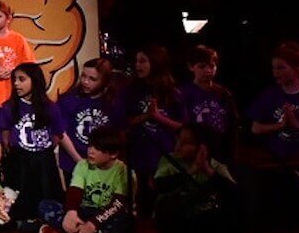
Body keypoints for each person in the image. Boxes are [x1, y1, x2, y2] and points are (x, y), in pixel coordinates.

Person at [153, 123, 245, 233]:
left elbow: (233, 191)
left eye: (186, 142)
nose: (178, 146)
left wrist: (207, 170)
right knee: (170, 205)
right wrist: (193, 169)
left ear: (201, 146)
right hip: (177, 223)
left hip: (204, 220)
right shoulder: (168, 160)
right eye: (178, 140)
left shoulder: (215, 164)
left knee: (232, 207)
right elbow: (160, 186)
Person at [38, 127, 130, 233]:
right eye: (90, 146)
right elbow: (75, 191)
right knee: (45, 206)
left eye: (97, 148)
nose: (91, 151)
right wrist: (71, 213)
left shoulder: (123, 171)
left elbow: (118, 204)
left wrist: (92, 224)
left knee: (127, 221)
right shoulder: (82, 165)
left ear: (113, 154)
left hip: (104, 216)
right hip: (82, 214)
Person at [3, 63, 66, 227]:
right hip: (20, 160)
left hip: (44, 161)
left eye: (21, 79)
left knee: (46, 197)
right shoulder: (9, 107)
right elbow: (5, 133)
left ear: (35, 81)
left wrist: (43, 150)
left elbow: (58, 134)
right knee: (21, 201)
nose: (16, 83)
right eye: (14, 79)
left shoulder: (50, 107)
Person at [121, 45, 183, 190]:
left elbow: (183, 126)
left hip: (167, 155)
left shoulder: (173, 94)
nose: (138, 65)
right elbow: (122, 123)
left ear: (156, 63)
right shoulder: (129, 91)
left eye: (142, 61)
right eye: (136, 61)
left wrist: (158, 118)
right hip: (139, 155)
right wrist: (145, 116)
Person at [56, 58, 116, 176]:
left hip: (104, 166)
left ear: (104, 81)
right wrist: (79, 161)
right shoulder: (69, 99)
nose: (85, 82)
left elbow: (118, 135)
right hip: (73, 164)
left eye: (92, 79)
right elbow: (61, 133)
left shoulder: (112, 103)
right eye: (83, 76)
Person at [176, 44, 237, 160]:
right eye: (202, 66)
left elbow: (231, 125)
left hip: (219, 150)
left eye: (211, 66)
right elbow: (183, 124)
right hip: (194, 151)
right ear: (191, 67)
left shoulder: (223, 93)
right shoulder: (183, 93)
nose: (208, 70)